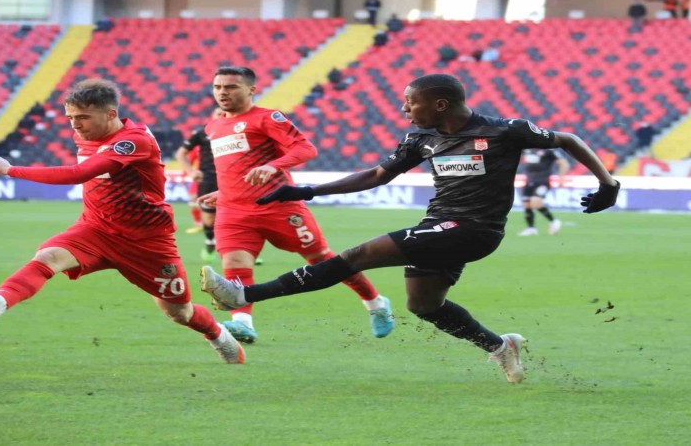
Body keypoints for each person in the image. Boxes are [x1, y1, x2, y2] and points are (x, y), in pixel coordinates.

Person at [201, 73, 620, 383]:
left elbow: (567, 139)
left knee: (357, 255)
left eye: (410, 102)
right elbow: (377, 175)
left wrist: (608, 184)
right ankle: (500, 346)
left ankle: (244, 295)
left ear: (439, 103)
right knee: (424, 306)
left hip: (476, 229)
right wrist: (308, 190)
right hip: (440, 226)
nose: (404, 109)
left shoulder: (504, 130)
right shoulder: (421, 139)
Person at [0, 78, 245, 365]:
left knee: (179, 313)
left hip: (145, 241)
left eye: (83, 117)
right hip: (95, 229)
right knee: (47, 257)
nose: (75, 124)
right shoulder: (86, 134)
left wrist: (11, 170)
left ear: (111, 114)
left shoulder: (133, 141)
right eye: (70, 117)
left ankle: (218, 335)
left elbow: (78, 174)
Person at [197, 66, 394, 344]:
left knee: (323, 262)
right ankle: (242, 323)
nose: (222, 92)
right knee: (234, 263)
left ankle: (375, 302)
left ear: (251, 90)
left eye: (230, 87)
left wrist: (273, 165)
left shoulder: (267, 118)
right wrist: (225, 190)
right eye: (218, 87)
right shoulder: (214, 126)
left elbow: (305, 148)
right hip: (233, 210)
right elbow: (236, 166)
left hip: (279, 206)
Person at [176, 108, 221, 262]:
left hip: (232, 178)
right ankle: (210, 242)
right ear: (212, 116)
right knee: (209, 217)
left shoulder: (238, 131)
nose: (222, 116)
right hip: (208, 179)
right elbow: (181, 153)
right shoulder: (202, 133)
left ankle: (249, 251)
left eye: (224, 114)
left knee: (239, 215)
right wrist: (191, 172)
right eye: (218, 113)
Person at [518, 149, 571, 236]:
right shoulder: (526, 148)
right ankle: (531, 229)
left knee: (536, 202)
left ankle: (554, 221)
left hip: (542, 182)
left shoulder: (549, 150)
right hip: (529, 181)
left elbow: (564, 163)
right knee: (527, 204)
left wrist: (561, 179)